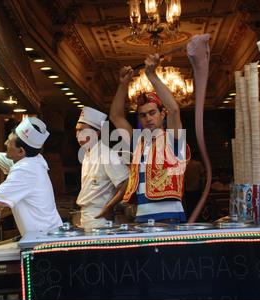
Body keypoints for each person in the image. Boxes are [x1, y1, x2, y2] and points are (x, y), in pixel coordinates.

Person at [109, 54, 190, 224]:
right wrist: (123, 84)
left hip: (169, 217)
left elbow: (174, 110)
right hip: (141, 217)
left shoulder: (172, 139)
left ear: (162, 114)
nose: (148, 118)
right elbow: (115, 116)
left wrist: (151, 74)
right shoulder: (138, 142)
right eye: (143, 115)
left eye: (152, 113)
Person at [75, 106, 130, 230]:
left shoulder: (106, 153)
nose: (78, 135)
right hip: (87, 216)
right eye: (77, 131)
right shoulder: (87, 154)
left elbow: (127, 181)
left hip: (101, 218)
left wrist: (109, 207)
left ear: (97, 133)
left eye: (83, 131)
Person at [184, 152, 206, 219]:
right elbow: (203, 174)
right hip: (197, 188)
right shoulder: (197, 164)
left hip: (187, 188)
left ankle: (190, 218)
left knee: (189, 206)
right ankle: (198, 218)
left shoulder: (185, 164)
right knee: (197, 205)